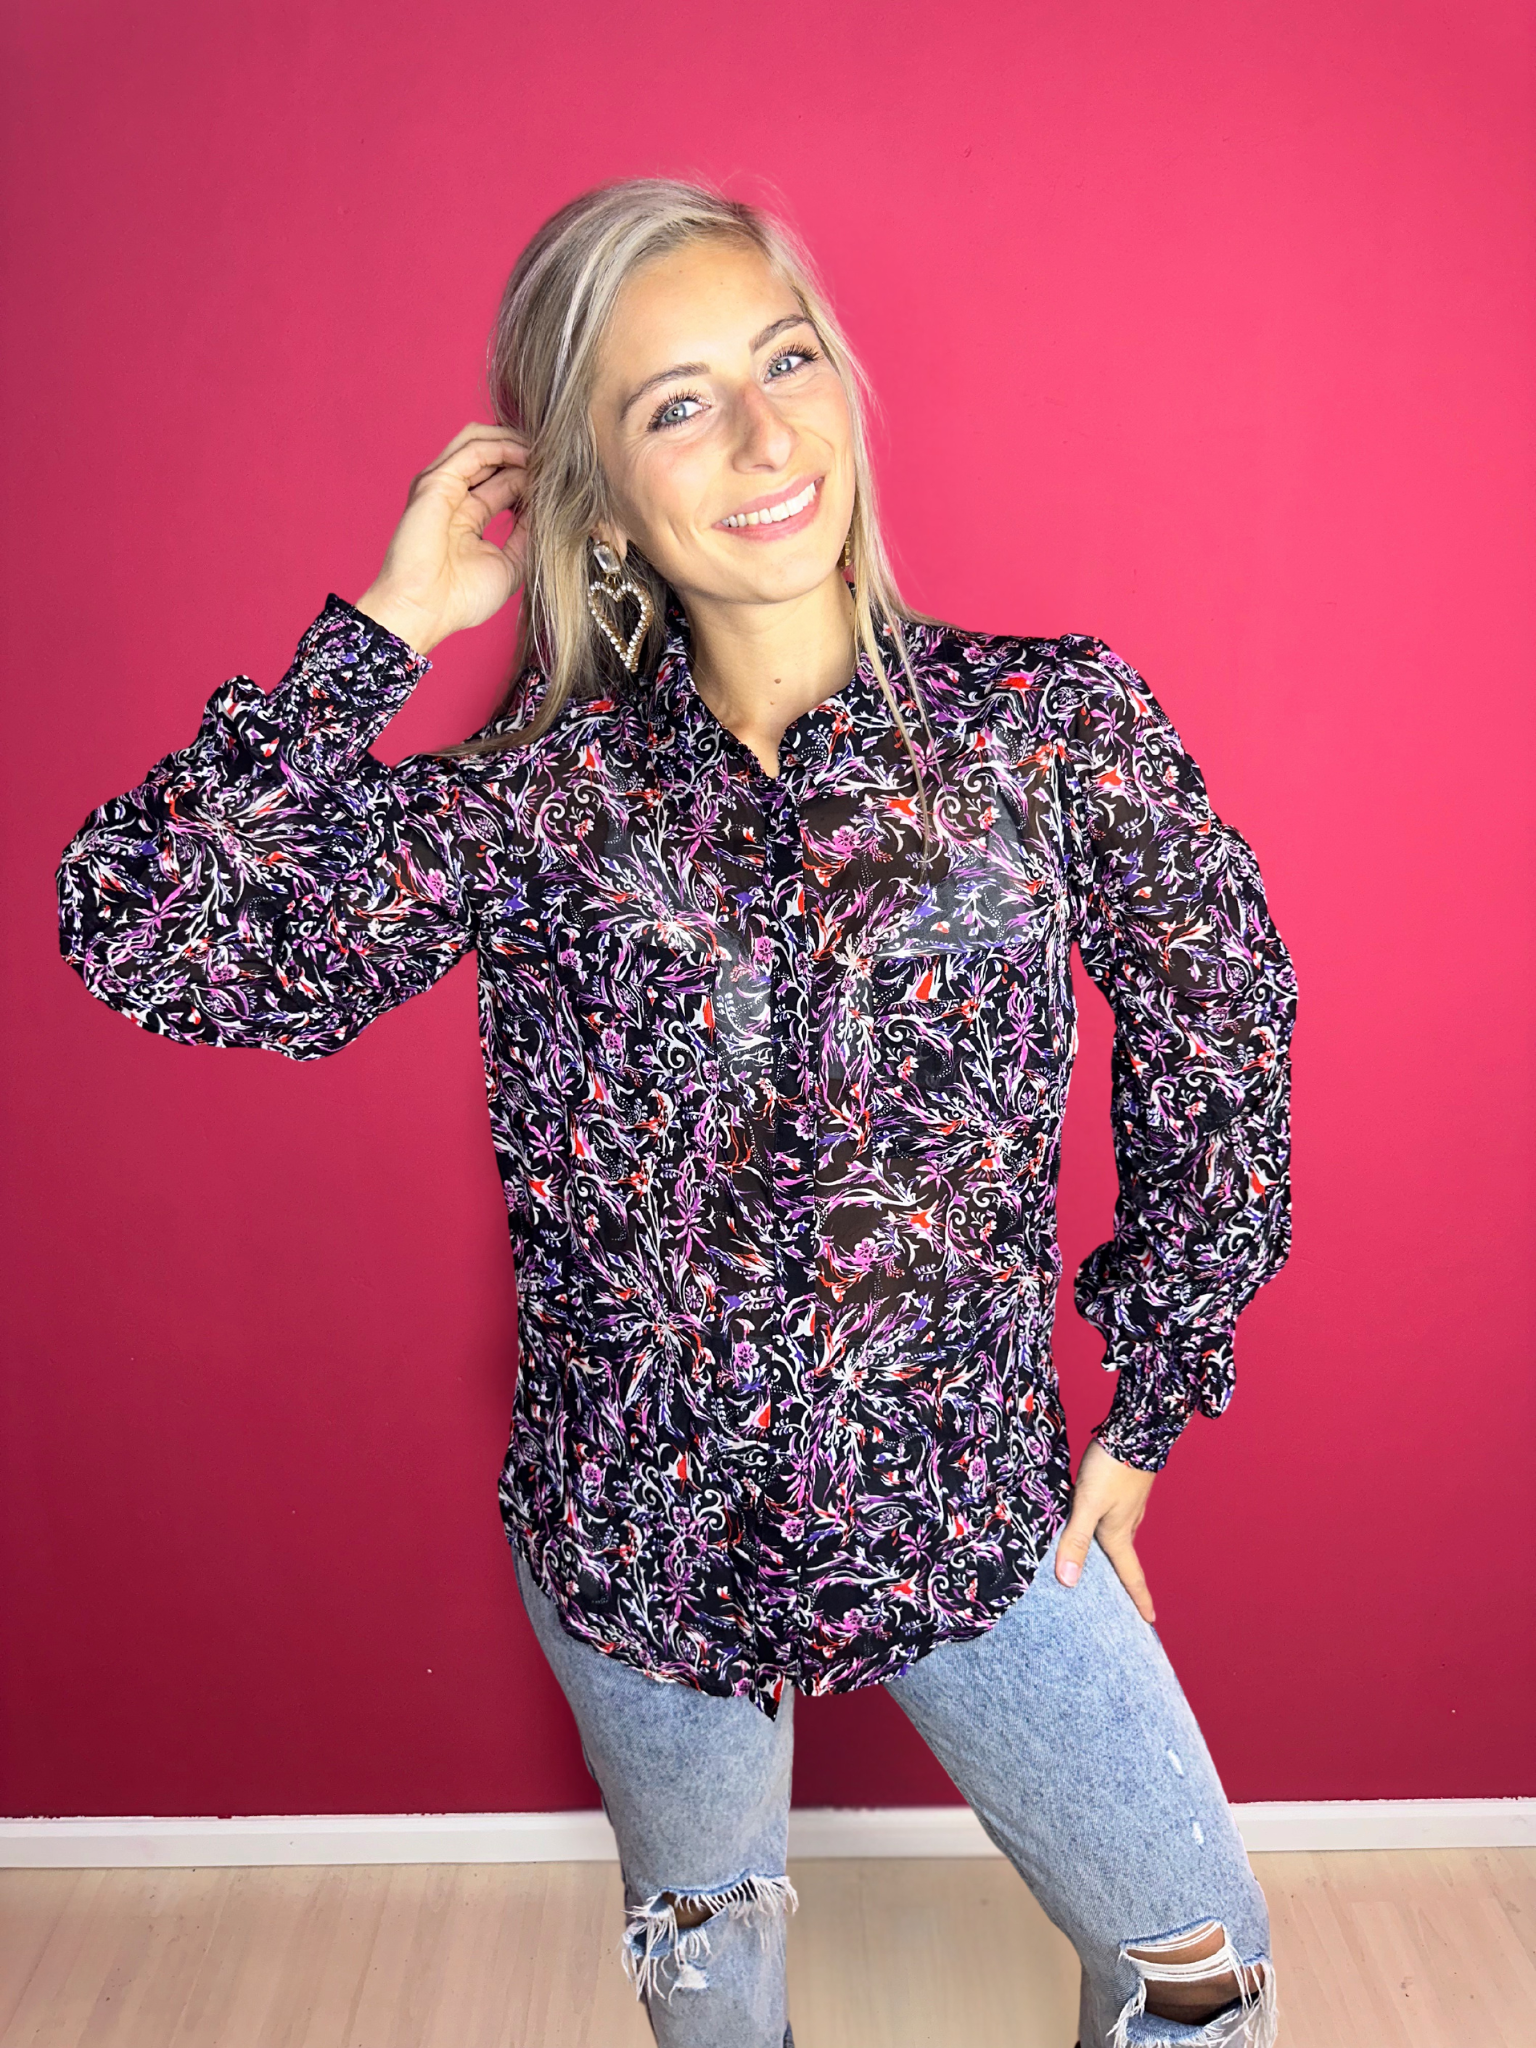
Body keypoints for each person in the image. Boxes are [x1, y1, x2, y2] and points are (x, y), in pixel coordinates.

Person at [57, 179, 1294, 2047]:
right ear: (599, 501)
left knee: (1200, 1970)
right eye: (678, 404)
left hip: (967, 1510)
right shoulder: (541, 802)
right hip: (637, 1541)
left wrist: (1155, 1389)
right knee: (719, 2004)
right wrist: (386, 626)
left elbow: (1224, 1026)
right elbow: (146, 932)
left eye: (786, 363)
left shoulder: (1053, 733)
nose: (767, 438)